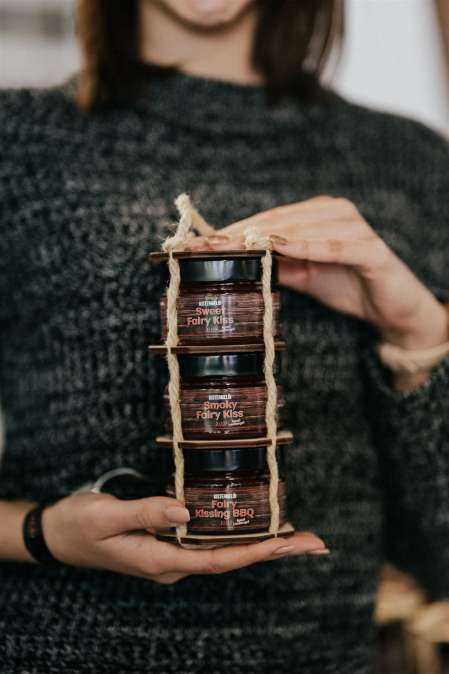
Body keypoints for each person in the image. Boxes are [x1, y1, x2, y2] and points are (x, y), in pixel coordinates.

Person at [0, 0, 448, 671]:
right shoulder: (17, 140)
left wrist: (418, 330)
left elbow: (439, 555)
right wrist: (41, 533)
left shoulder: (410, 161)